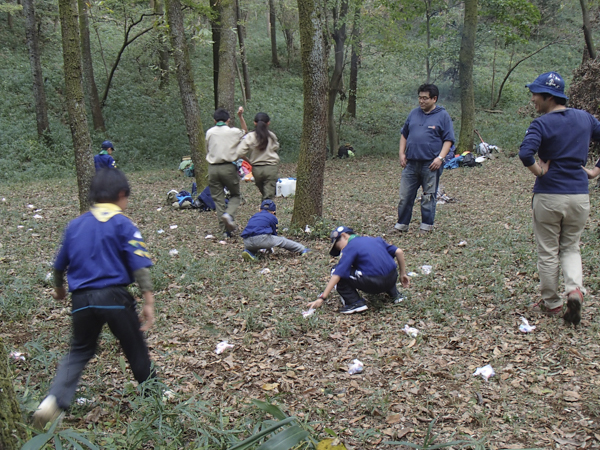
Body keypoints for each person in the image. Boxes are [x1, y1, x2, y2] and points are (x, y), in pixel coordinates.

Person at [32, 169, 156, 428]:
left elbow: (58, 267)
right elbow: (139, 266)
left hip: (81, 300)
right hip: (114, 296)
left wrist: (60, 290)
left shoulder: (76, 225)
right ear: (122, 194)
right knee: (134, 346)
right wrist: (148, 301)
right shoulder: (124, 224)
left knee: (78, 351)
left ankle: (54, 400)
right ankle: (155, 397)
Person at [519, 71, 600, 326]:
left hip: (549, 196)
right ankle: (575, 290)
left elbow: (525, 154)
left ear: (547, 96)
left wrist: (540, 171)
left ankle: (552, 303)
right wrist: (595, 170)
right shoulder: (585, 118)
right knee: (571, 247)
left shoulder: (541, 124)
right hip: (578, 196)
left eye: (535, 94)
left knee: (548, 250)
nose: (533, 99)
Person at [307, 226, 410, 314]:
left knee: (335, 270)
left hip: (374, 283)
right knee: (380, 265)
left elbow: (338, 273)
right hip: (392, 278)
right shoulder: (375, 239)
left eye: (338, 246)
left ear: (344, 235)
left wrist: (322, 298)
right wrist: (403, 274)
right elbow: (399, 252)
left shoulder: (350, 247)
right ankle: (395, 295)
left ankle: (354, 303)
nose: (340, 250)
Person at [394, 84, 455, 234]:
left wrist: (440, 158)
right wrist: (402, 153)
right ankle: (402, 225)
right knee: (405, 196)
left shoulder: (443, 116)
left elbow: (448, 140)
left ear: (434, 99)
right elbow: (404, 134)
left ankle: (426, 226)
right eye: (420, 98)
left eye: (425, 98)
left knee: (428, 196)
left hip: (430, 164)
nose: (421, 101)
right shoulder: (413, 114)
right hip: (411, 163)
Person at [206, 107, 248, 237]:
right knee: (235, 195)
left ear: (214, 120)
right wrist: (241, 116)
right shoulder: (233, 132)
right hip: (228, 168)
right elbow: (245, 132)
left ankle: (225, 231)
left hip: (212, 168)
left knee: (218, 199)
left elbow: (208, 148)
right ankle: (228, 215)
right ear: (228, 120)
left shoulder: (210, 132)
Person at [240, 199, 309, 261]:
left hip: (247, 241)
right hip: (261, 239)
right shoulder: (272, 217)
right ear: (273, 212)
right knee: (282, 240)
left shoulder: (254, 216)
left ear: (260, 210)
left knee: (255, 244)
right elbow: (273, 235)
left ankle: (249, 252)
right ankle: (303, 249)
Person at [237, 112, 280, 200]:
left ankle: (264, 209)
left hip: (257, 169)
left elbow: (240, 152)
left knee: (264, 193)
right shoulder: (271, 136)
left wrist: (249, 161)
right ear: (268, 123)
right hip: (271, 168)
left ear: (254, 123)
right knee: (269, 195)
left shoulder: (249, 136)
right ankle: (267, 210)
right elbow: (276, 147)